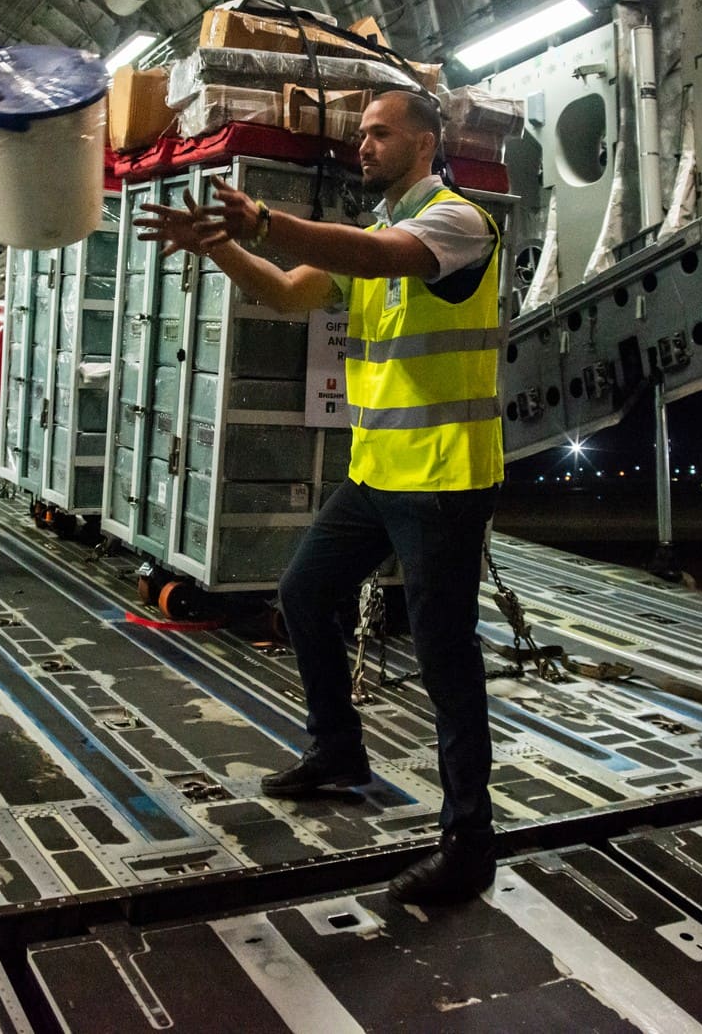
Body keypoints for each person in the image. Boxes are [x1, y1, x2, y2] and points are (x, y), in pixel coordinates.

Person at [137, 89, 503, 905]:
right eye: (360, 134)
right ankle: (339, 750)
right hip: (379, 474)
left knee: (446, 658)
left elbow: (376, 259)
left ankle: (469, 844)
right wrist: (220, 247)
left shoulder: (457, 222)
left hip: (444, 479)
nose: (362, 146)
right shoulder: (374, 232)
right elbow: (287, 293)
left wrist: (264, 220)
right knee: (304, 594)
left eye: (380, 134)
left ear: (424, 144)